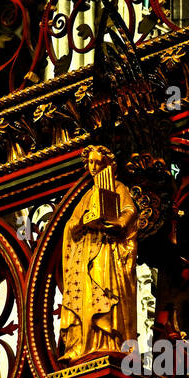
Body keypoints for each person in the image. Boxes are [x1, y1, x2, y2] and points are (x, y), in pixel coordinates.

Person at [60, 146, 139, 362]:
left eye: (98, 163)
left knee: (107, 290)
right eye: (91, 163)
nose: (94, 168)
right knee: (86, 296)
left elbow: (129, 211)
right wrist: (84, 221)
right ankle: (84, 344)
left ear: (108, 165)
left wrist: (118, 223)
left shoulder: (118, 187)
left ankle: (110, 341)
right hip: (88, 250)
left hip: (108, 248)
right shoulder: (87, 196)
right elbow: (71, 224)